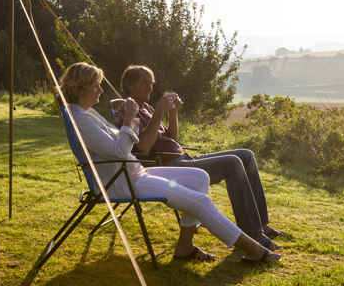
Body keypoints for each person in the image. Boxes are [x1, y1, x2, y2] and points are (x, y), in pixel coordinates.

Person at [60, 62, 281, 264]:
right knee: (200, 202)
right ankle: (253, 249)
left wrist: (142, 118)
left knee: (200, 177)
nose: (100, 90)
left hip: (135, 173)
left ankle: (185, 245)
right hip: (124, 182)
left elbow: (121, 143)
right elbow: (119, 150)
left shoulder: (89, 114)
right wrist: (128, 118)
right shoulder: (80, 119)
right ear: (80, 87)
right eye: (95, 86)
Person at [116, 65, 286, 251]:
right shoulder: (129, 110)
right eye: (144, 83)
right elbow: (144, 147)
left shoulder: (146, 108)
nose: (150, 88)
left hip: (183, 158)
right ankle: (253, 233)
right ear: (130, 85)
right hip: (169, 166)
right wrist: (159, 112)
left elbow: (171, 139)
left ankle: (261, 224)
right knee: (232, 163)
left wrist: (172, 113)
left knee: (246, 155)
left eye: (151, 83)